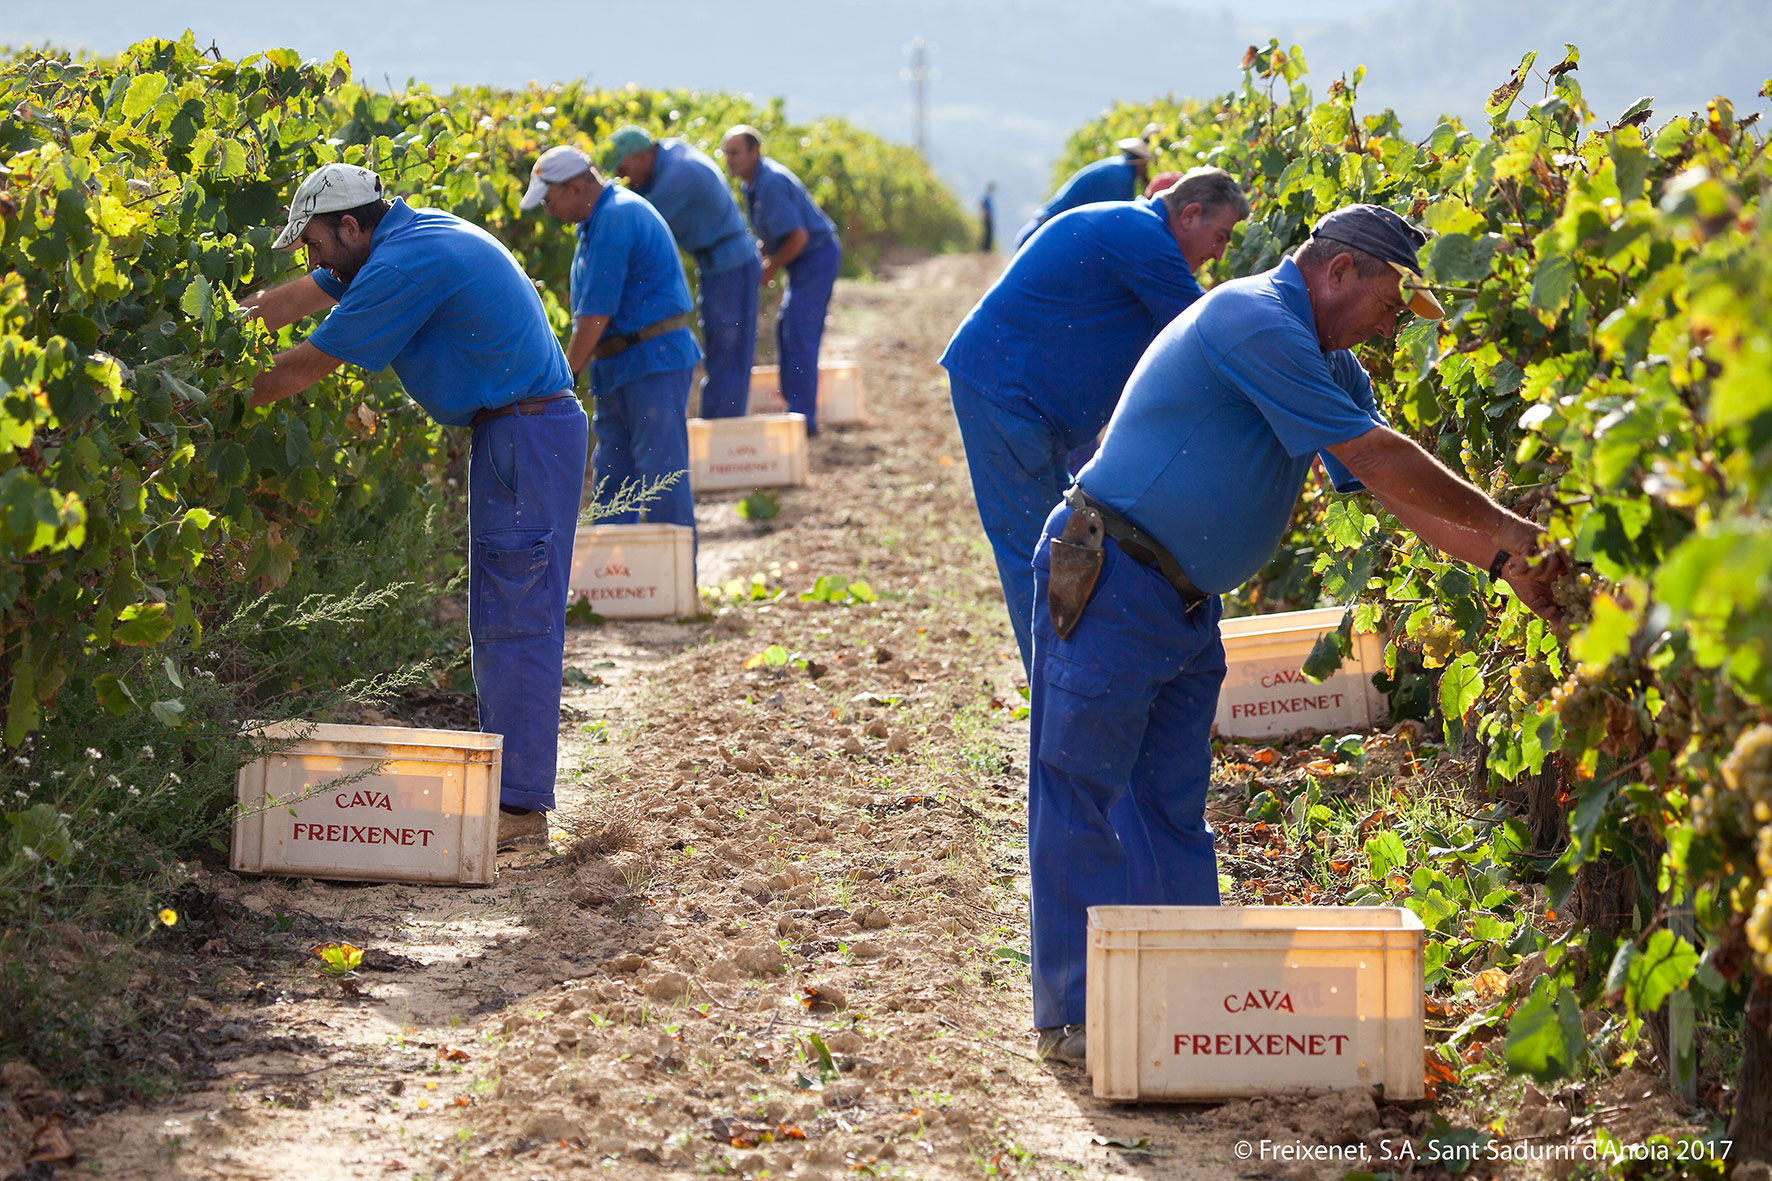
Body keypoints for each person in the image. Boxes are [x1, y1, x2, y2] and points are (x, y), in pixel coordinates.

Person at [1023, 204, 1569, 1066]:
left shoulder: (1328, 361)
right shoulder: (1255, 319)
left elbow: (1390, 492)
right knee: (1080, 790)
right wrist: (1515, 529)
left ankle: (1176, 994)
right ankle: (1078, 1013)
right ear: (1340, 270)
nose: (1395, 325)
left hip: (1183, 603)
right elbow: (1380, 456)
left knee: (1168, 803)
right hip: (1115, 577)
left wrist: (1509, 567)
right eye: (1394, 301)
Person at [240, 163, 585, 854]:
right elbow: (293, 300)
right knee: (498, 615)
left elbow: (303, 365)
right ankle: (516, 798)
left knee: (515, 619)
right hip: (516, 429)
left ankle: (519, 807)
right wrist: (224, 327)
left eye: (311, 242)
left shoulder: (402, 263)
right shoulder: (395, 236)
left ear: (348, 224)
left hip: (524, 433)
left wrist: (211, 405)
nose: (310, 257)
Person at [940, 168, 1250, 673]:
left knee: (1057, 546)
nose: (1219, 254)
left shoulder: (1135, 231)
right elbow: (1206, 337)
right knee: (1037, 556)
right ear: (1190, 213)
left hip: (1021, 401)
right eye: (1219, 237)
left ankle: (1070, 686)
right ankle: (1059, 700)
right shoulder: (1143, 238)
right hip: (1006, 396)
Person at [520, 145, 700, 547]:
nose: (548, 211)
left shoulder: (617, 216)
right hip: (621, 363)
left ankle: (676, 589)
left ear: (577, 185)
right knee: (614, 476)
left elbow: (596, 312)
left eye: (550, 200)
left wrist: (563, 380)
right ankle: (617, 578)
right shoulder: (597, 221)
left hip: (652, 360)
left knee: (661, 475)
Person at [604, 126, 763, 419]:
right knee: (722, 351)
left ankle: (722, 435)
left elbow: (638, 223)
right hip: (721, 264)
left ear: (641, 156)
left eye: (624, 169)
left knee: (727, 353)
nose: (623, 179)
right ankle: (722, 427)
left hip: (730, 266)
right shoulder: (668, 155)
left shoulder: (679, 173)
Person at [721, 125, 842, 434]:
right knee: (787, 329)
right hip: (804, 259)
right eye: (726, 153)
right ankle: (796, 409)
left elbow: (799, 237)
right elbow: (778, 235)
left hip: (815, 257)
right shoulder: (751, 185)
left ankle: (803, 418)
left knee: (800, 332)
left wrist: (771, 267)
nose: (729, 159)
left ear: (754, 152)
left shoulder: (770, 182)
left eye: (735, 152)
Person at [1014, 125, 1158, 250]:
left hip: (1041, 229)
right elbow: (1115, 221)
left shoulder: (1117, 167)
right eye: (1148, 164)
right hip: (1044, 235)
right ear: (1141, 161)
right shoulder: (1121, 177)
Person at [979, 182, 997, 252]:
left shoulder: (988, 196)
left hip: (989, 217)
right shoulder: (986, 196)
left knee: (989, 233)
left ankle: (988, 248)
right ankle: (986, 249)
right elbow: (981, 203)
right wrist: (985, 214)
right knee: (988, 233)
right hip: (987, 218)